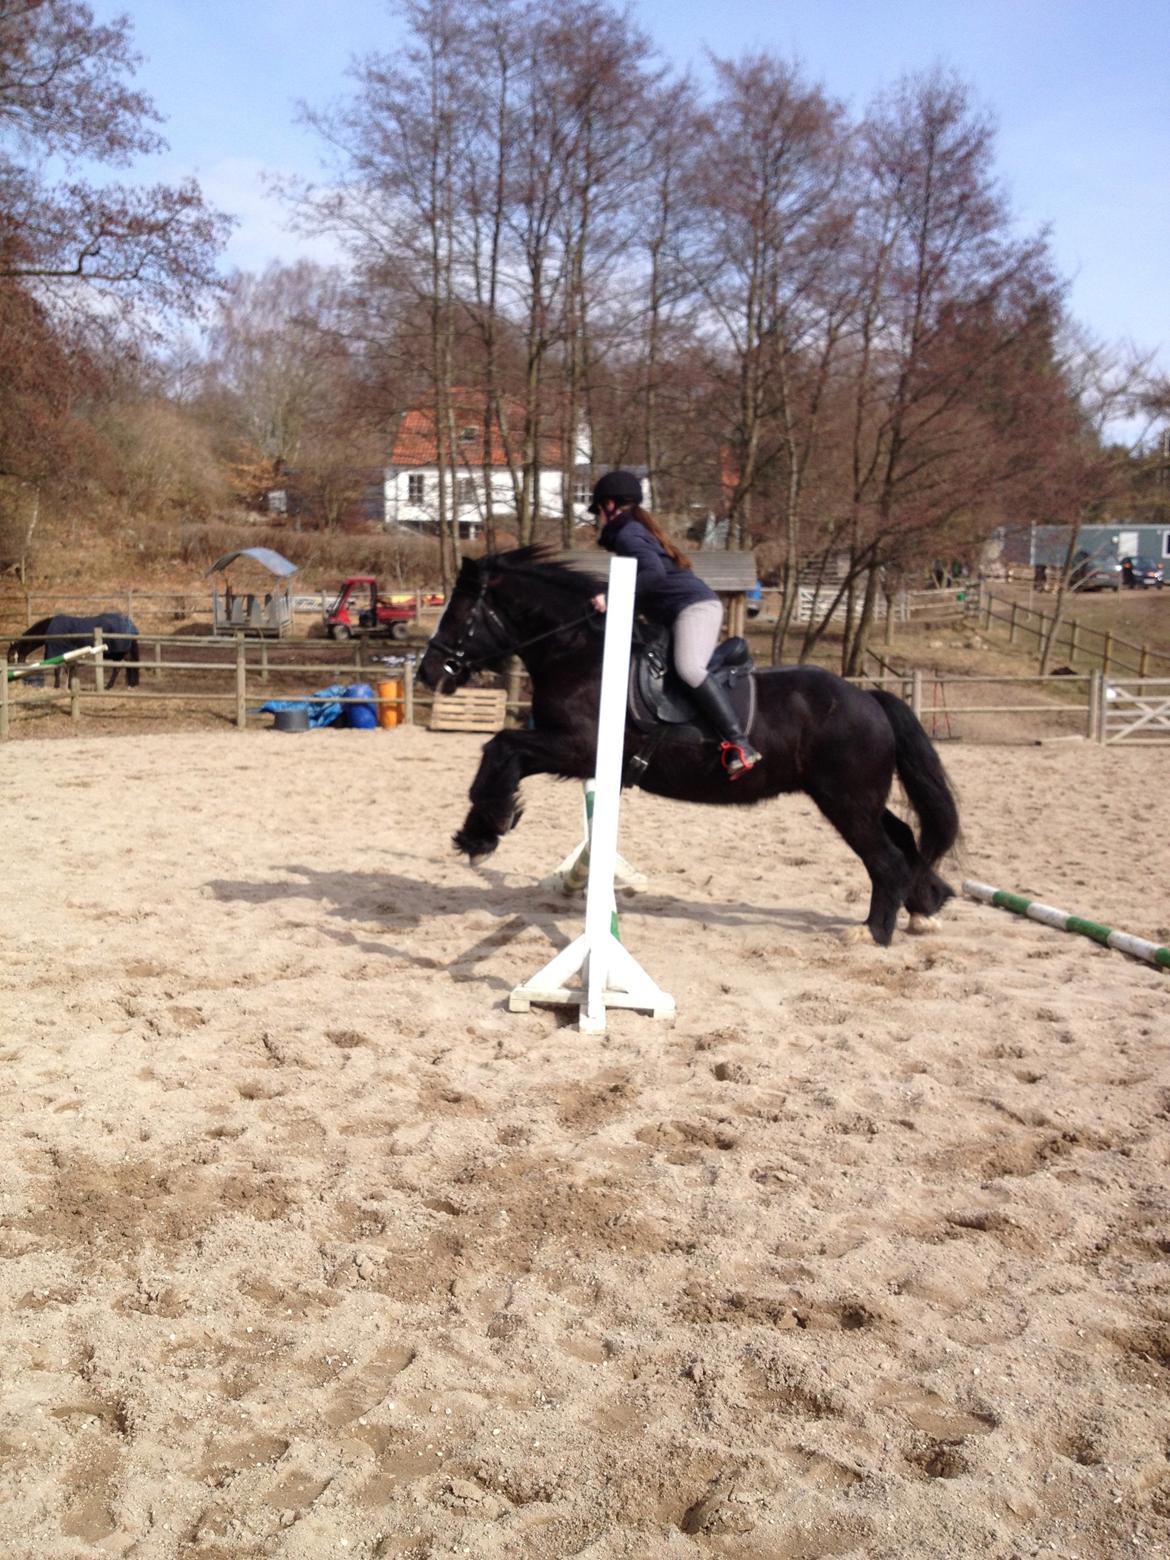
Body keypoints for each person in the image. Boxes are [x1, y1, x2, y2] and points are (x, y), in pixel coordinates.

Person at [588, 470, 761, 776]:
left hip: (694, 608)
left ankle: (739, 743)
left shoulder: (628, 535)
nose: (598, 519)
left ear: (611, 505)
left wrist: (613, 598)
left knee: (688, 668)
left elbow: (653, 574)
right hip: (677, 613)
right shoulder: (632, 532)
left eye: (599, 510)